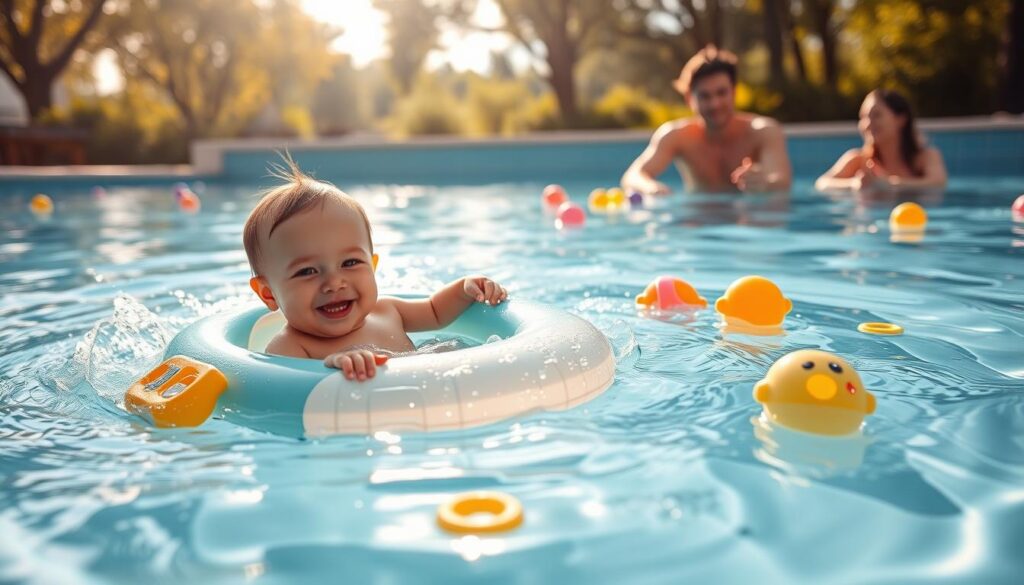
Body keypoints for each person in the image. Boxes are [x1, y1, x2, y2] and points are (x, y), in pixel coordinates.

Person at [242, 161, 507, 381]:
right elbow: (284, 390)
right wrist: (329, 368)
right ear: (268, 294)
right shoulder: (290, 348)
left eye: (350, 263)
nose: (334, 283)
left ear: (373, 266)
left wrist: (466, 288)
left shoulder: (388, 312)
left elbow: (436, 311)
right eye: (307, 271)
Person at [621, 45, 792, 194]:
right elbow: (633, 176)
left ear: (734, 92)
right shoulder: (676, 136)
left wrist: (765, 183)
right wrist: (651, 188)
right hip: (698, 219)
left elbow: (782, 181)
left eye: (721, 93)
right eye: (705, 96)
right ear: (689, 99)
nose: (715, 104)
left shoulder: (763, 131)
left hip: (750, 219)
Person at [815, 89, 947, 191]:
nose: (867, 124)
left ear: (901, 119)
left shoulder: (926, 157)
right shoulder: (858, 160)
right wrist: (853, 184)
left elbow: (937, 183)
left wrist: (888, 184)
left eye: (876, 115)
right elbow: (822, 183)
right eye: (863, 117)